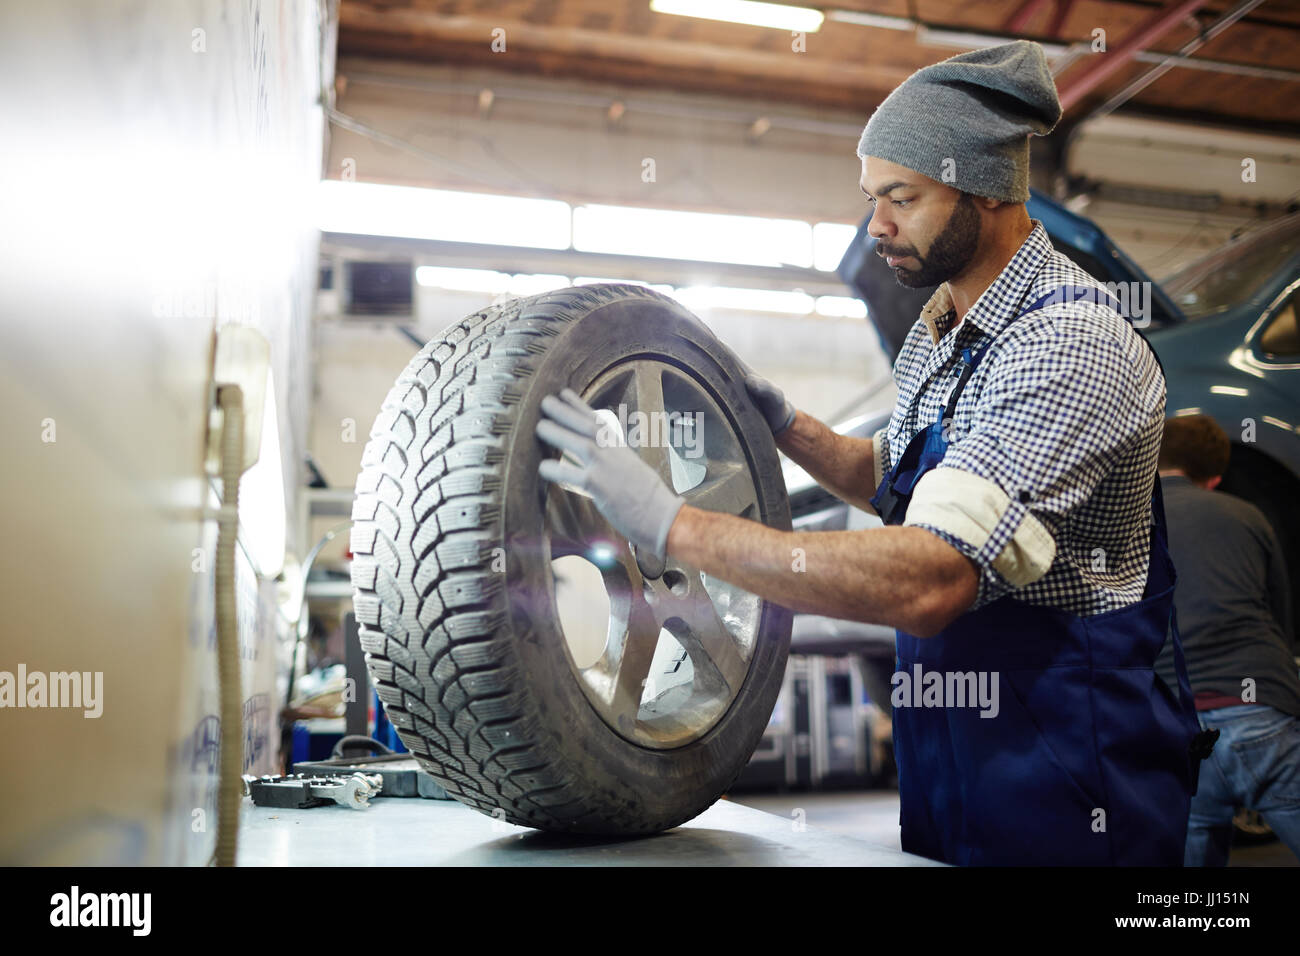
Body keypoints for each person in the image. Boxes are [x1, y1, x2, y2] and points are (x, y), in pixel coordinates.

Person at [533, 40, 1209, 865]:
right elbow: (903, 480)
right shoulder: (940, 329)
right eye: (871, 198)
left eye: (902, 197)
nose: (876, 226)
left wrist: (674, 527)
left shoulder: (1069, 342)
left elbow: (933, 578)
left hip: (1073, 778)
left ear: (986, 188)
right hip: (953, 770)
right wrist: (790, 425)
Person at [1153, 414, 1300, 865]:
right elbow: (1282, 623)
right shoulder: (1247, 516)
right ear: (1214, 478)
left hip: (1179, 730)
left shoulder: (1127, 523)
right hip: (1262, 715)